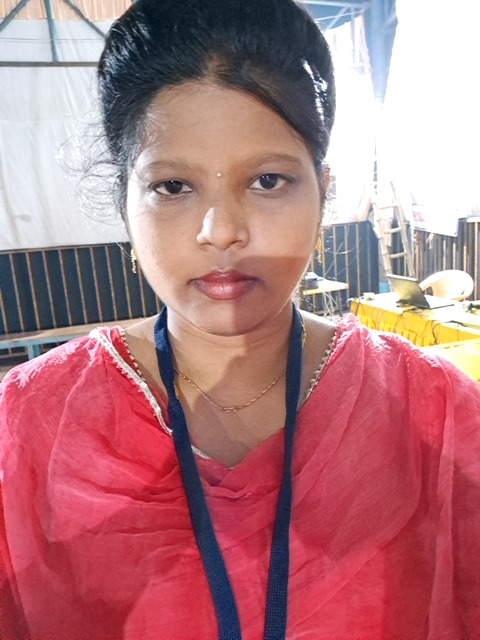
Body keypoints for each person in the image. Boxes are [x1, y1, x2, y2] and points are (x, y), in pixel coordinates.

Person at [1, 0, 480, 638]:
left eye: (268, 181)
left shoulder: (438, 412)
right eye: (173, 186)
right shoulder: (29, 423)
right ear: (124, 201)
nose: (221, 230)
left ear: (323, 189)